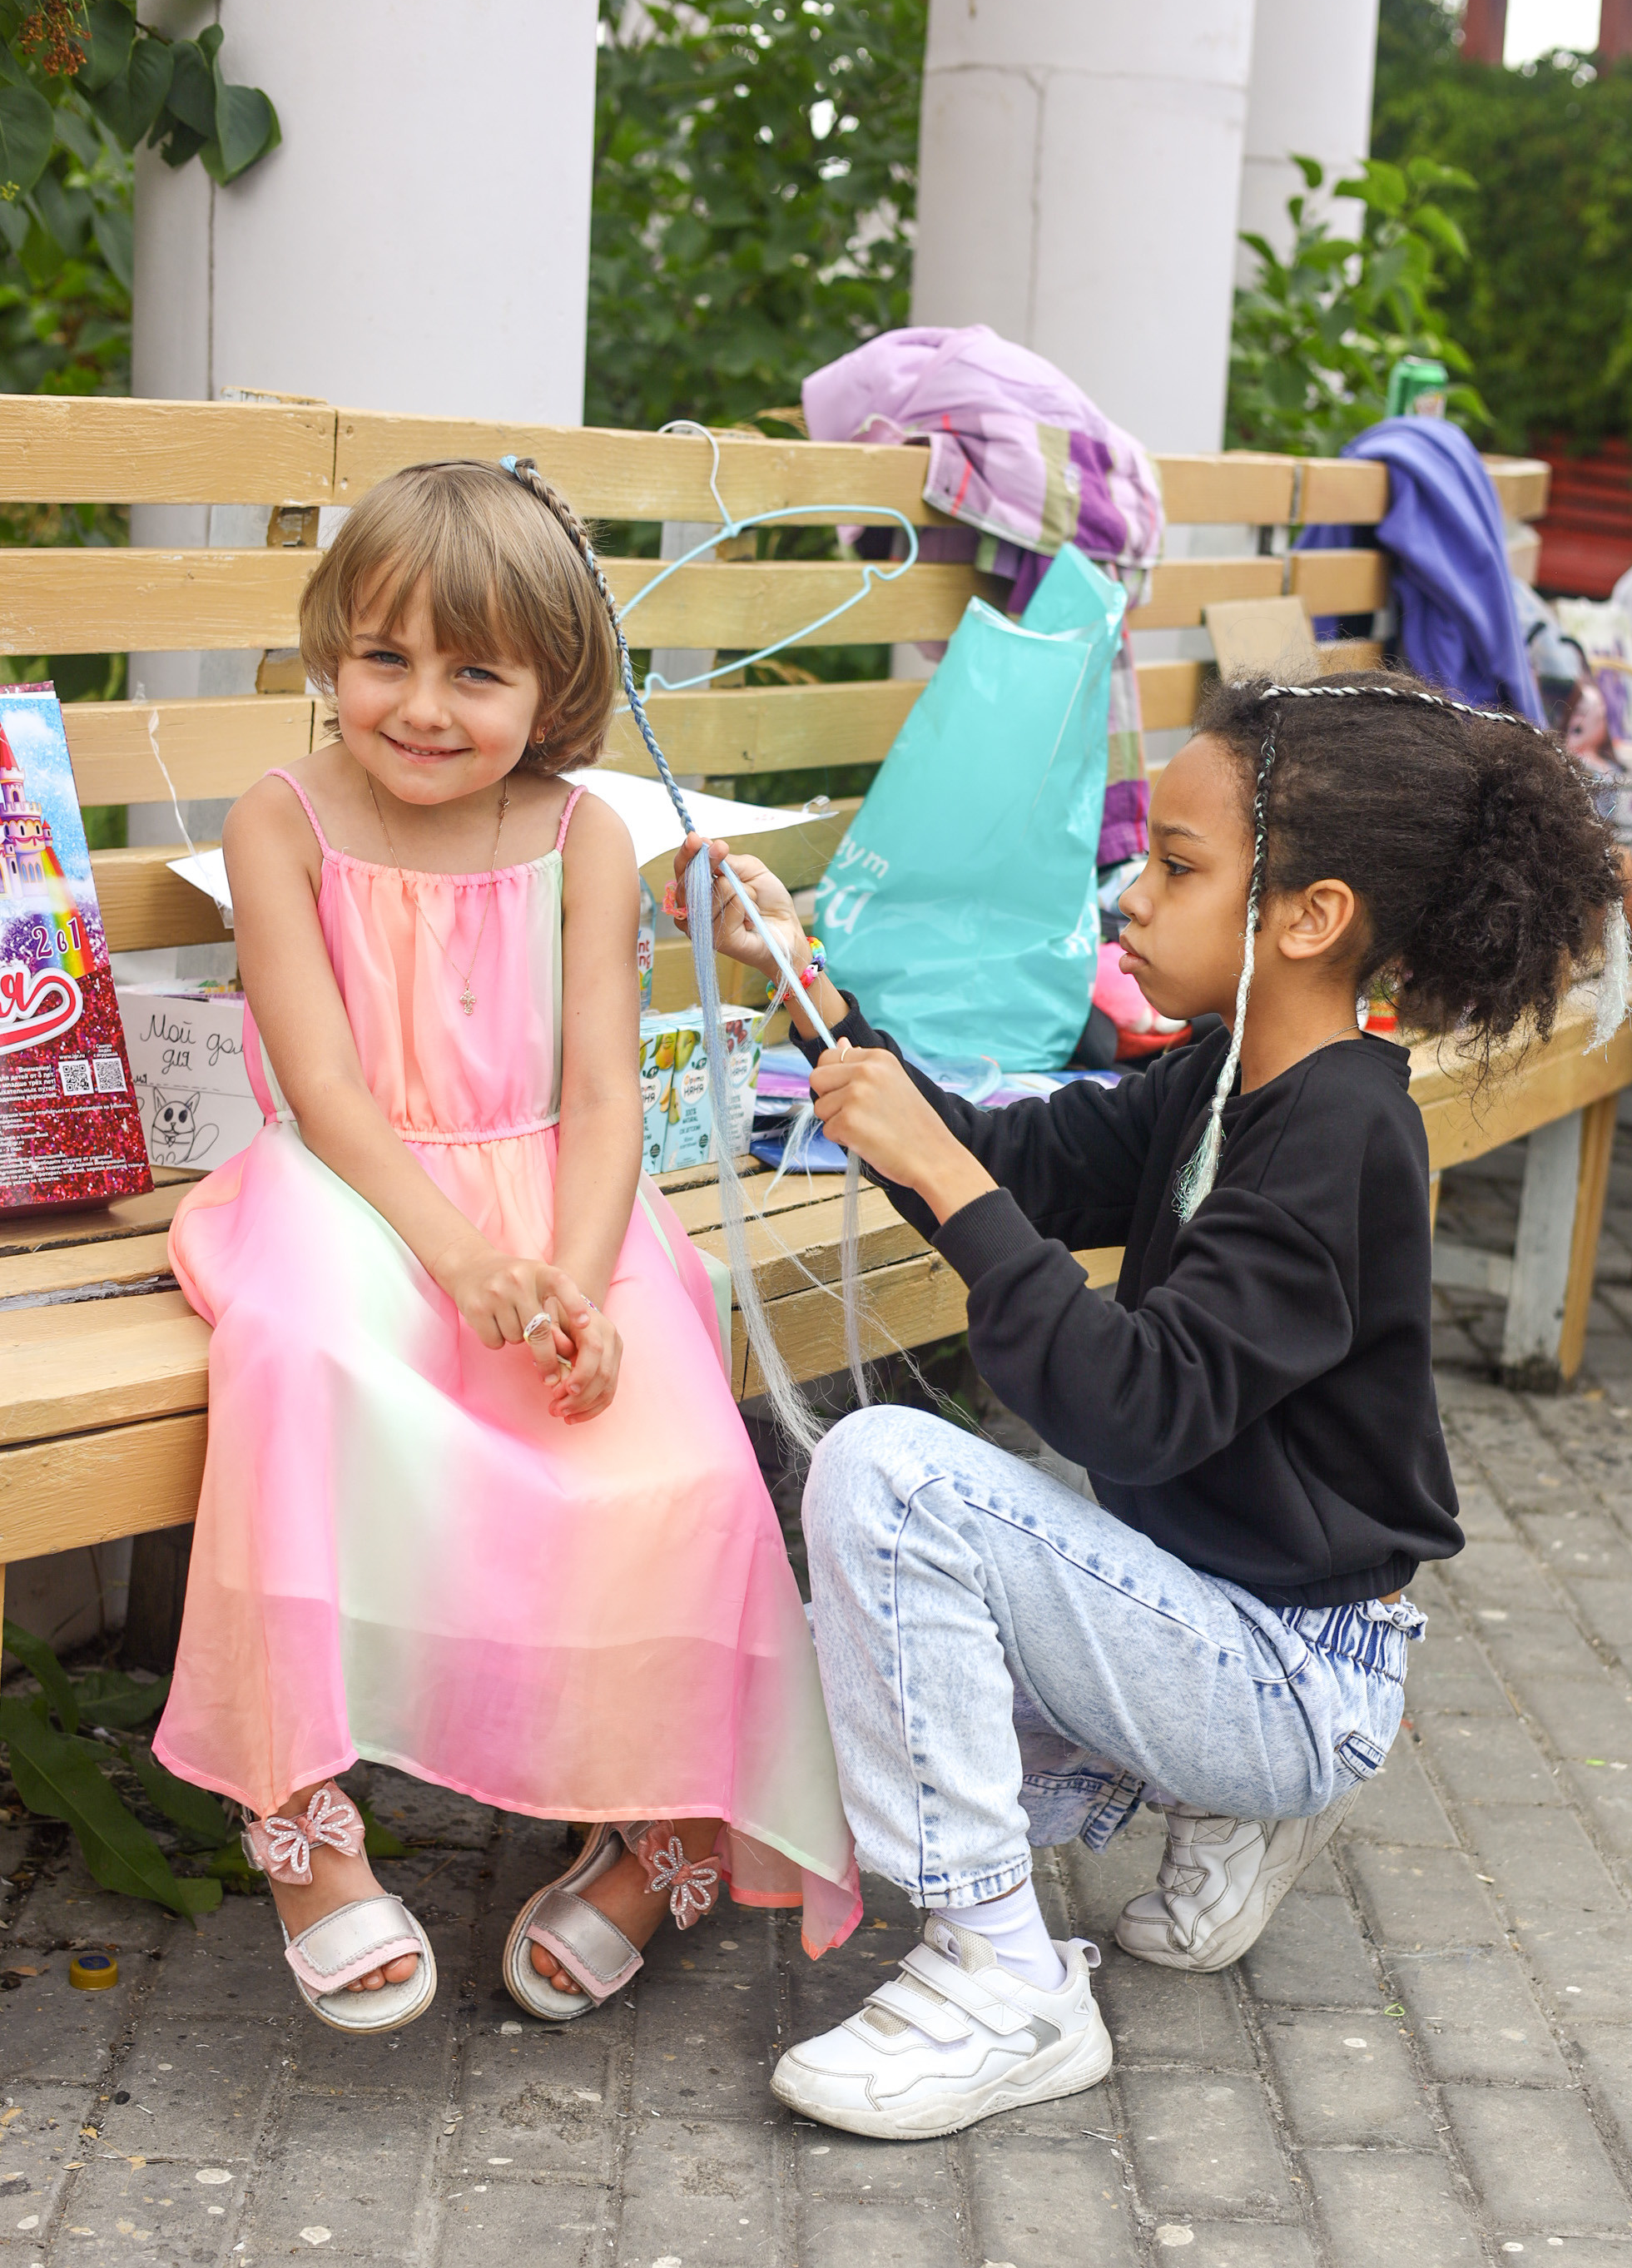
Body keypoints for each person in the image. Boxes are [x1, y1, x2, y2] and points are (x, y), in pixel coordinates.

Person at [672, 671, 1626, 2140]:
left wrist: (945, 1173)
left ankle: (1007, 1982)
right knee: (852, 1666)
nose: (1128, 894)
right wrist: (810, 994)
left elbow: (1131, 1407)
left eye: (1176, 866)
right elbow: (1006, 1160)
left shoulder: (1341, 1141)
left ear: (1306, 917)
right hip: (1208, 1602)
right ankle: (1222, 1805)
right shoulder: (1224, 1078)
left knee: (891, 1475)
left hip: (1287, 1669)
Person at [153, 459, 859, 2035]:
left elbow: (604, 1092)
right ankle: (295, 1807)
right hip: (348, 1189)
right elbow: (326, 1086)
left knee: (666, 1440)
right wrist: (461, 1260)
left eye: (475, 670)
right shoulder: (282, 819)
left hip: (559, 1191)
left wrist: (583, 1273)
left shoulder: (582, 836)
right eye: (385, 656)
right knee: (303, 1360)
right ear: (334, 649)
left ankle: (667, 1817)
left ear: (552, 689)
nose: (420, 703)